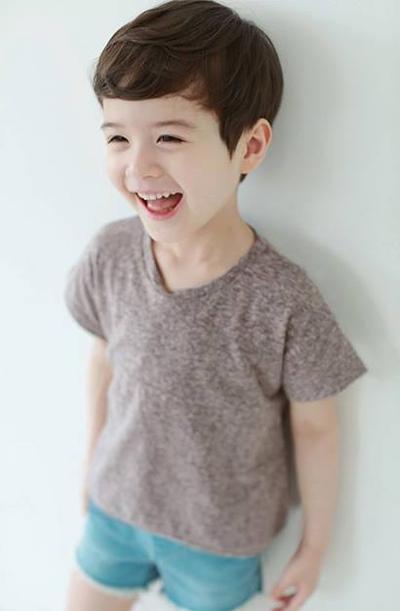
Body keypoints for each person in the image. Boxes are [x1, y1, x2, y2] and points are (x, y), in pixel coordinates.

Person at [63, 1, 368, 610]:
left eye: (169, 137)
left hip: (218, 541)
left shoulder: (283, 300)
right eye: (118, 137)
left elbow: (316, 429)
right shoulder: (110, 255)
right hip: (115, 510)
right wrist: (92, 468)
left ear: (250, 146)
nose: (139, 166)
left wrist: (314, 547)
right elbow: (103, 364)